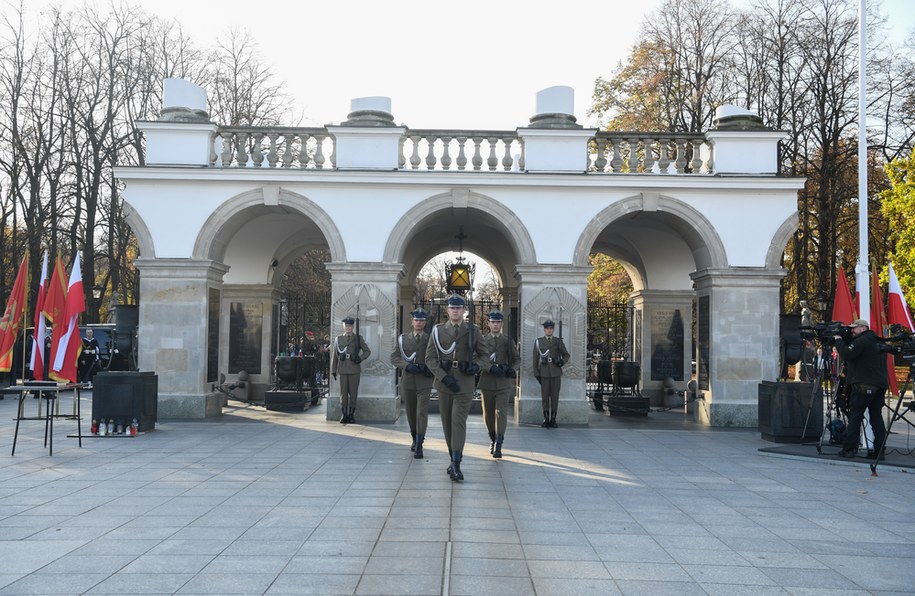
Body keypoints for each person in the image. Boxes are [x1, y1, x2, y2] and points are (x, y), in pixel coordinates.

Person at [426, 294, 487, 482]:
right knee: (447, 423)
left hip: (465, 382)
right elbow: (430, 359)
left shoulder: (473, 331)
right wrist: (444, 377)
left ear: (464, 310)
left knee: (457, 421)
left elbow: (484, 356)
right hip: (445, 384)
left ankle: (456, 463)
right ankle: (452, 457)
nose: (455, 311)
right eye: (452, 308)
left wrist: (476, 367)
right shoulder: (437, 331)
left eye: (459, 308)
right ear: (447, 310)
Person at [834, 319, 888, 460]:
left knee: (855, 416)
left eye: (855, 328)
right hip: (880, 384)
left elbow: (847, 354)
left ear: (863, 328)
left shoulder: (862, 341)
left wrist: (838, 341)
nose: (852, 331)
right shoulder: (878, 340)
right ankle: (879, 450)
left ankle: (849, 449)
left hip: (863, 384)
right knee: (876, 416)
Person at [390, 308, 433, 458]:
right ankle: (414, 437)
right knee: (411, 412)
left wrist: (428, 368)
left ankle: (420, 442)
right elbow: (394, 357)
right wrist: (407, 366)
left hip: (424, 380)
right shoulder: (403, 339)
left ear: (425, 322)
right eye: (416, 320)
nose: (419, 323)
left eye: (421, 320)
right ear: (412, 321)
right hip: (408, 380)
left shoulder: (431, 338)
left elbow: (437, 357)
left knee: (421, 412)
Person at [477, 310, 519, 459]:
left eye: (498, 322)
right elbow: (478, 360)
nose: (495, 324)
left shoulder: (508, 341)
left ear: (502, 324)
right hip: (487, 381)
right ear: (488, 323)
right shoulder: (482, 340)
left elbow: (517, 359)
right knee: (488, 415)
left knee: (500, 413)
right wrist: (490, 367)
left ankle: (499, 443)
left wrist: (511, 369)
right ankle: (493, 438)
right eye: (493, 322)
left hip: (503, 383)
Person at [331, 316, 370, 424]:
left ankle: (351, 415)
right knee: (343, 394)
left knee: (353, 393)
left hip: (354, 369)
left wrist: (359, 358)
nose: (348, 328)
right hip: (343, 368)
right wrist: (333, 369)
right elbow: (335, 355)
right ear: (343, 327)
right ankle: (344, 414)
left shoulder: (358, 338)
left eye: (350, 326)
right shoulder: (338, 339)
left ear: (353, 327)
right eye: (346, 326)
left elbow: (367, 351)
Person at [533, 320, 570, 428]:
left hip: (555, 372)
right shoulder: (539, 342)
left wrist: (561, 361)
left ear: (553, 330)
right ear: (544, 330)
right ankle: (546, 418)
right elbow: (535, 358)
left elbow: (566, 355)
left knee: (555, 397)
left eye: (551, 328)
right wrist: (536, 373)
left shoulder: (558, 341)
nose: (549, 330)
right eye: (547, 328)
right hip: (544, 372)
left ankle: (553, 419)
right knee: (545, 397)